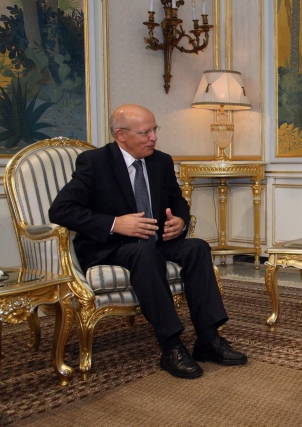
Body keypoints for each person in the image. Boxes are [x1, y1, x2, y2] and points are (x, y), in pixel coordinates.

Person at [49, 104, 247, 379]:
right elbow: (61, 210)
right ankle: (171, 346)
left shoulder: (160, 161)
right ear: (121, 135)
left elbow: (177, 200)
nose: (154, 137)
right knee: (144, 254)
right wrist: (116, 223)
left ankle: (208, 339)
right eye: (145, 132)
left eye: (154, 130)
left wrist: (180, 221)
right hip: (111, 246)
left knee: (197, 248)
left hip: (157, 240)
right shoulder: (94, 162)